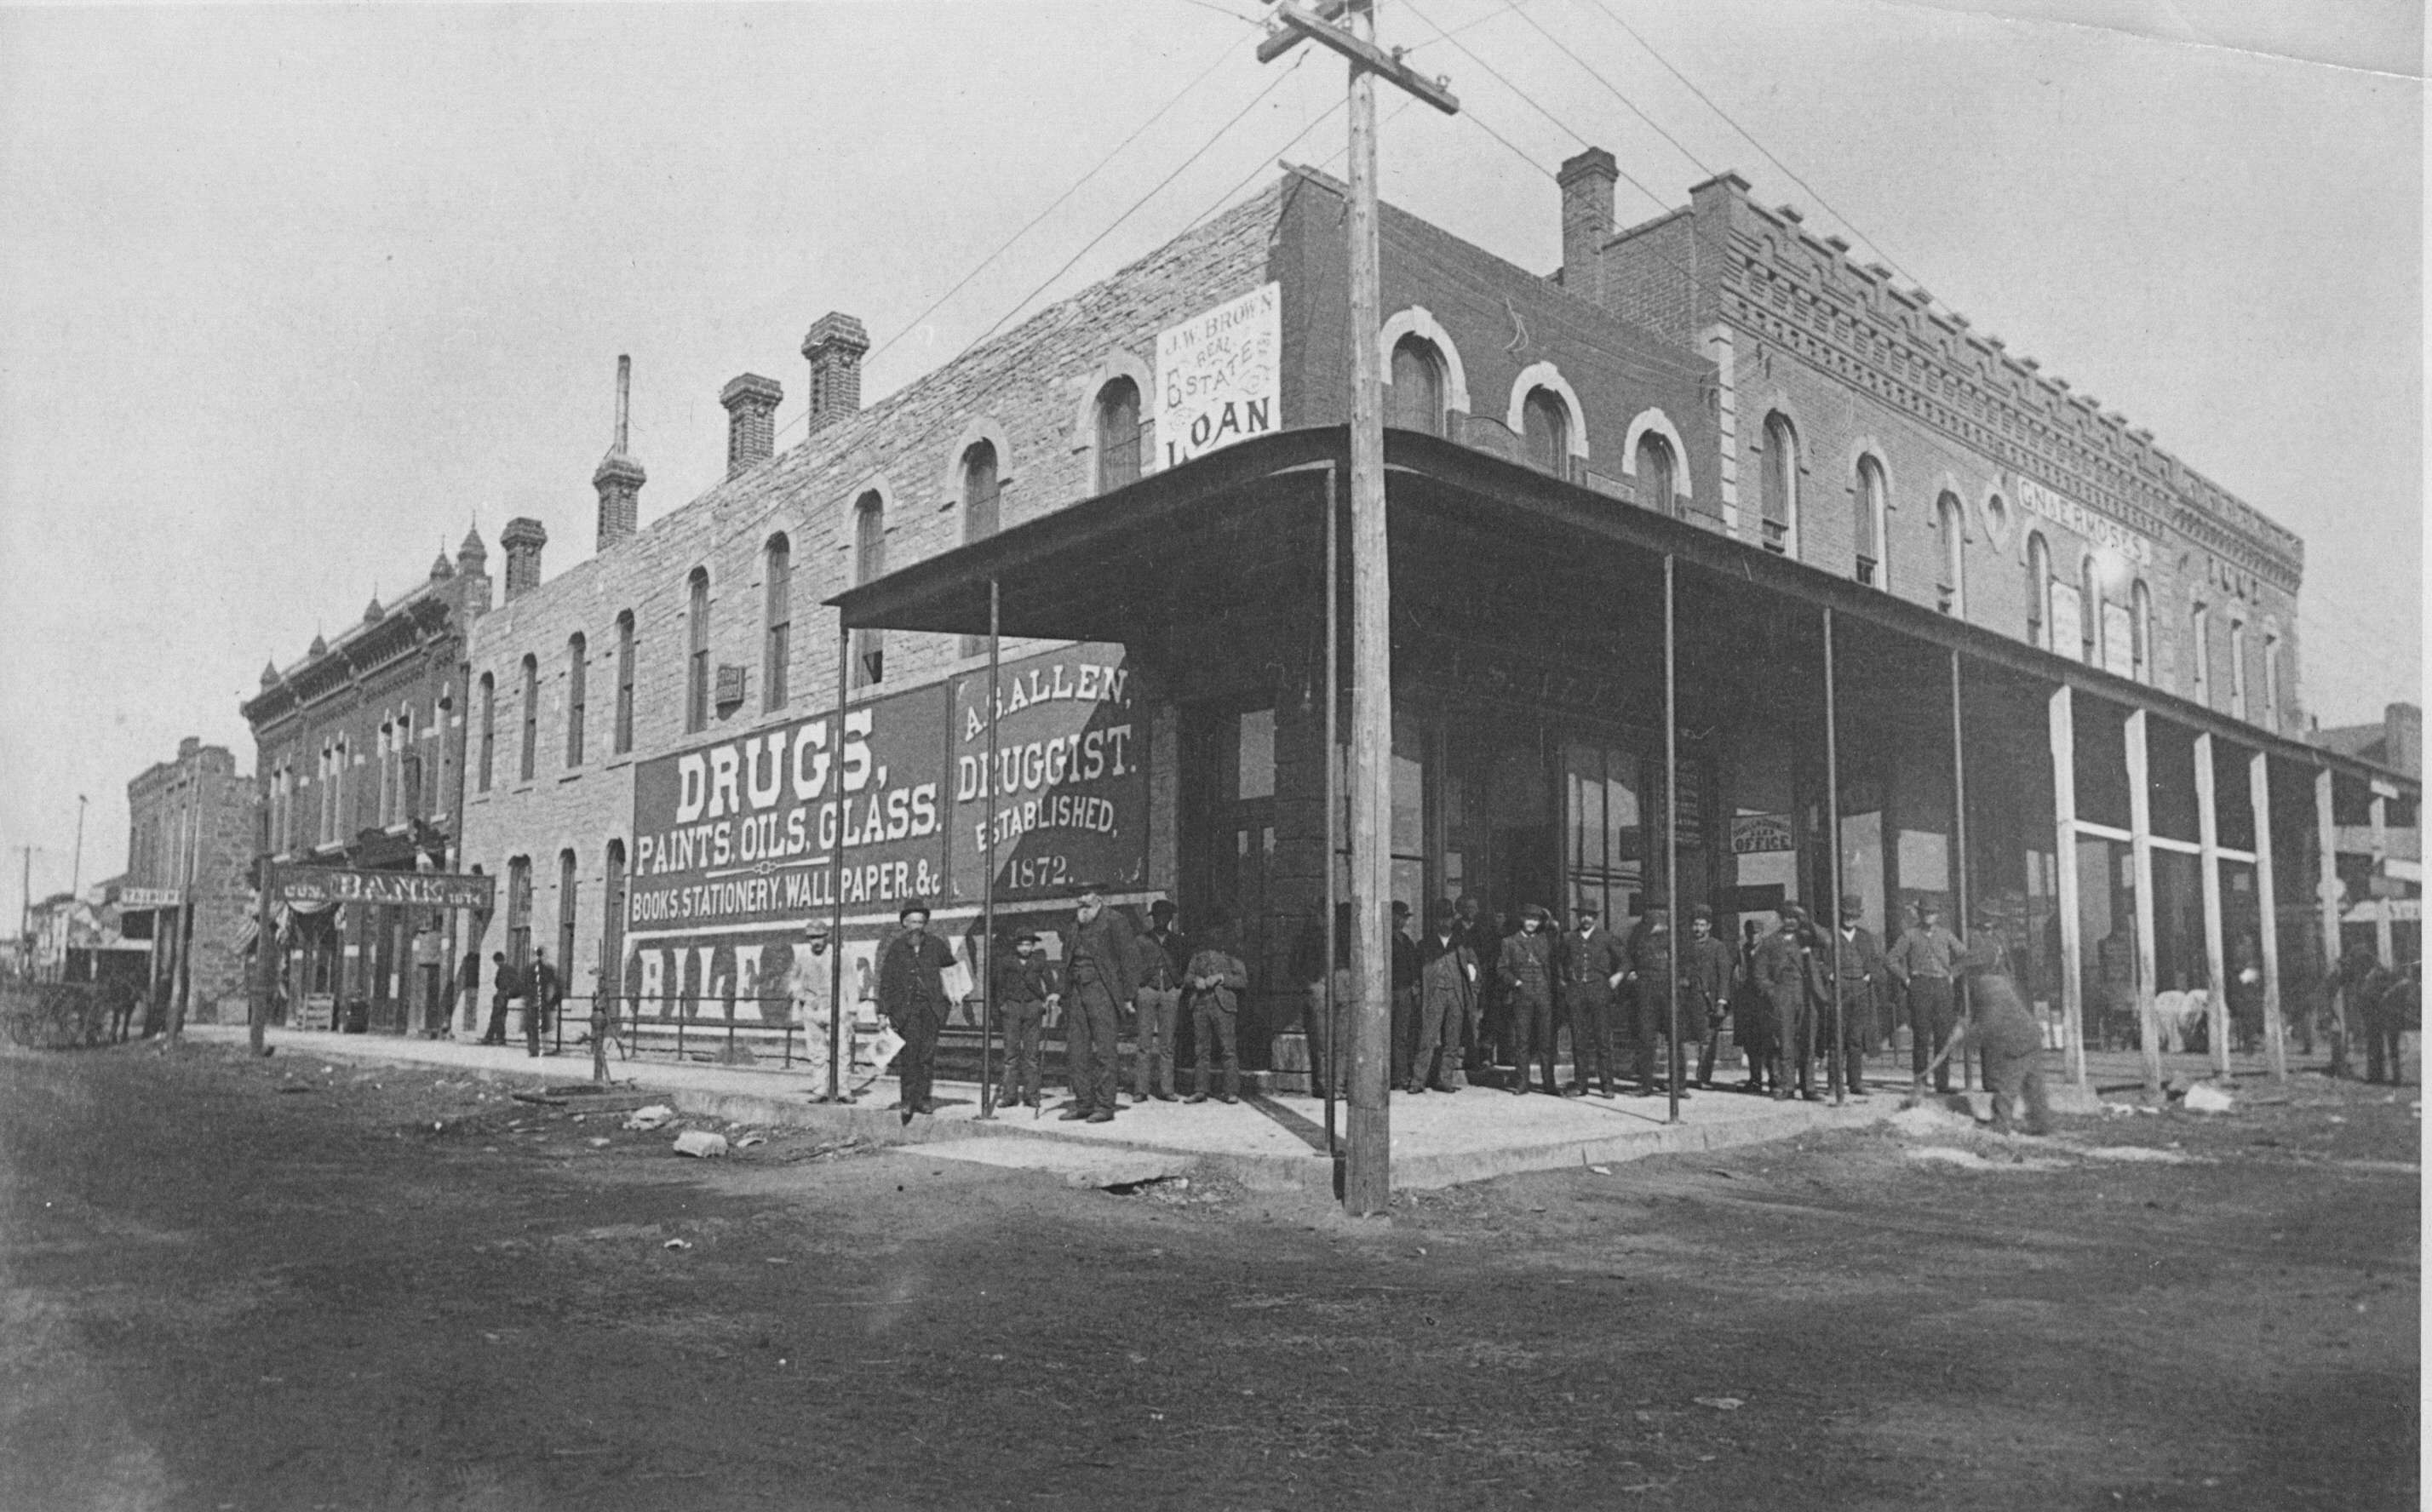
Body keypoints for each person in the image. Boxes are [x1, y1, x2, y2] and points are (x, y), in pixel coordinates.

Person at [1946, 946, 2054, 1135]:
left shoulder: (1986, 986)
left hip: (2015, 1042)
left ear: (1975, 970)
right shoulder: (1999, 982)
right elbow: (1982, 1016)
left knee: (2006, 1086)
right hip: (2031, 1036)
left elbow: (1990, 1021)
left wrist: (1967, 1039)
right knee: (2033, 1085)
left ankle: (2001, 1124)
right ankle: (2041, 1123)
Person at [1061, 886, 1138, 1123]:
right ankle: (1083, 1103)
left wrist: (1128, 996)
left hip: (1102, 991)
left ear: (1099, 899)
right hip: (1076, 992)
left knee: (1105, 1051)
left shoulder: (1115, 921)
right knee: (1077, 1050)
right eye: (1079, 897)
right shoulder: (1074, 925)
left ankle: (1105, 1106)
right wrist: (1058, 992)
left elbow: (1129, 958)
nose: (1082, 901)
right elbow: (1066, 960)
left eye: (1087, 895)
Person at [877, 902, 956, 1120]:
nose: (916, 926)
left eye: (921, 922)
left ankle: (923, 1100)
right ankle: (907, 1101)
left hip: (930, 1010)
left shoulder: (936, 945)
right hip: (906, 1012)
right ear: (904, 923)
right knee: (909, 1057)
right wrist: (883, 1013)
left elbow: (952, 970)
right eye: (912, 922)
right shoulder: (896, 948)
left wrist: (956, 992)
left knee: (927, 1056)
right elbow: (886, 982)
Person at [1886, 899, 1965, 1096]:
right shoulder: (1909, 935)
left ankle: (1942, 1083)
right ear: (1919, 914)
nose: (1929, 916)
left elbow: (1965, 957)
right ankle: (1920, 1082)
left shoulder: (1946, 935)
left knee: (1943, 1037)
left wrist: (1952, 975)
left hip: (1942, 987)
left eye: (1932, 912)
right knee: (1921, 1037)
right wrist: (1906, 979)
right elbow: (1890, 960)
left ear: (1937, 915)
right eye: (1925, 912)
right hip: (1919, 986)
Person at [1754, 906, 1827, 1101]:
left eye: (1795, 918)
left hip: (1807, 992)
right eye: (1787, 918)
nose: (1791, 922)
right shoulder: (1770, 942)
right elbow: (1760, 973)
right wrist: (1773, 992)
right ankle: (1787, 1086)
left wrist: (1807, 920)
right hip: (1783, 994)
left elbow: (1827, 940)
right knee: (1785, 1041)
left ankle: (1808, 1087)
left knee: (1808, 1041)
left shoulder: (1807, 938)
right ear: (1781, 919)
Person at [1555, 902, 1626, 1097]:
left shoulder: (1606, 938)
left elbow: (1625, 960)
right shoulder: (1568, 938)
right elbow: (1559, 963)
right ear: (1578, 917)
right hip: (1576, 994)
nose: (1586, 919)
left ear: (1596, 917)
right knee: (1579, 1041)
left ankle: (1607, 1085)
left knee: (1603, 1040)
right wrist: (1564, 983)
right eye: (1583, 915)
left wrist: (1617, 976)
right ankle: (1580, 1085)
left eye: (1590, 915)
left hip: (1599, 994)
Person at [789, 922, 862, 1102]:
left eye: (820, 937)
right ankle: (820, 1089)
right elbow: (794, 983)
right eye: (812, 937)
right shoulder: (803, 956)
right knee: (817, 1052)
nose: (816, 941)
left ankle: (843, 1090)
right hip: (813, 1010)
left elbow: (851, 982)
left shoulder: (840, 955)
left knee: (842, 1050)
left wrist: (852, 1010)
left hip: (836, 1008)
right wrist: (804, 997)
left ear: (826, 936)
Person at [1409, 902, 1477, 1094]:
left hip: (1456, 995)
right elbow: (1416, 974)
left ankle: (1444, 1079)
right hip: (1434, 995)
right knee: (1427, 1038)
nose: (1444, 922)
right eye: (1441, 918)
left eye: (1448, 918)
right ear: (1435, 920)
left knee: (1452, 1040)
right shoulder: (1425, 945)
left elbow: (1475, 967)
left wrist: (1472, 989)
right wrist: (1417, 994)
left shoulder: (1461, 944)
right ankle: (1418, 1081)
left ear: (1452, 919)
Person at [1183, 908, 1249, 1104]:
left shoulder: (1232, 954)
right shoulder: (1198, 955)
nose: (1213, 933)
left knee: (1228, 1049)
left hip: (1224, 1005)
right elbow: (1186, 976)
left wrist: (1220, 978)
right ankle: (1200, 1090)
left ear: (1223, 931)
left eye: (1217, 929)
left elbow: (1243, 980)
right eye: (1210, 930)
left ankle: (1231, 1091)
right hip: (1201, 1004)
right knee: (1200, 1049)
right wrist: (1195, 980)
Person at [1623, 905, 1686, 1097]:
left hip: (1669, 991)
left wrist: (1682, 981)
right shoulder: (1636, 935)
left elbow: (1686, 961)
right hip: (1645, 992)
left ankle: (1679, 1085)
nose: (1656, 916)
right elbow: (1628, 958)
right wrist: (1630, 973)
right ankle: (1645, 1084)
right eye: (1651, 912)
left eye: (1660, 911)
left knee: (1675, 1039)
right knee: (1645, 1038)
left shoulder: (1675, 936)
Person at [1826, 892, 1884, 1097]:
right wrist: (1831, 975)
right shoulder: (1831, 936)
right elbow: (1820, 962)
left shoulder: (1865, 937)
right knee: (1836, 1040)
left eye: (1853, 915)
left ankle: (1855, 1082)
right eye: (1846, 914)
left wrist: (1869, 976)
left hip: (1860, 992)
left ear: (1859, 915)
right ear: (1840, 914)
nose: (1849, 918)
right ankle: (1834, 1084)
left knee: (1856, 1040)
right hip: (1839, 992)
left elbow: (1876, 962)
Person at [993, 929, 1057, 1109]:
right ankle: (1009, 1096)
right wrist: (1002, 1005)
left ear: (1033, 946)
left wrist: (1046, 1000)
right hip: (1012, 1008)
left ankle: (1032, 1096)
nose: (1024, 948)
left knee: (1031, 1056)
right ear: (1015, 945)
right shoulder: (1006, 961)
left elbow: (1050, 982)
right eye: (1021, 944)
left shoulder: (1039, 961)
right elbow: (998, 985)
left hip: (1032, 1008)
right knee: (1010, 1056)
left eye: (1028, 944)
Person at [1131, 899, 1187, 1104]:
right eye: (1159, 916)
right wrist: (1136, 990)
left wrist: (1179, 987)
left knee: (1167, 1044)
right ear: (1153, 918)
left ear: (1170, 919)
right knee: (1144, 1042)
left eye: (1166, 916)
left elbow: (1185, 964)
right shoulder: (1141, 940)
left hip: (1170, 990)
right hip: (1147, 990)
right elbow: (1132, 966)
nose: (1162, 919)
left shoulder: (1178, 941)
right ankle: (1141, 1090)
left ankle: (1167, 1089)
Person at [1497, 905, 1557, 1095]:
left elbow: (1557, 938)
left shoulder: (1544, 941)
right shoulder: (1509, 942)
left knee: (1546, 1042)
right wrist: (1516, 982)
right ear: (1522, 920)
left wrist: (1551, 921)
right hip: (1522, 995)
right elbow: (1502, 969)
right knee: (1522, 1041)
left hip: (1543, 995)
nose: (1532, 923)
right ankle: (1523, 1082)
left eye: (1536, 920)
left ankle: (1549, 1083)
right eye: (1528, 919)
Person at [1682, 904, 1738, 1090]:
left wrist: (1722, 1001)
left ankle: (1703, 1077)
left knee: (1707, 1041)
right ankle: (1682, 1077)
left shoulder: (1718, 947)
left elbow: (1725, 975)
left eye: (1702, 925)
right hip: (1689, 999)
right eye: (1695, 925)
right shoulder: (1686, 947)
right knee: (1687, 1038)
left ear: (1709, 927)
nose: (1698, 929)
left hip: (1709, 1001)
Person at [1729, 917, 1772, 1094]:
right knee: (1751, 1043)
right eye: (1749, 933)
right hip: (1747, 1002)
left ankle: (1775, 1078)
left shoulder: (1769, 950)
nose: (1752, 936)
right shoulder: (1742, 951)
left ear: (1761, 934)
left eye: (1755, 933)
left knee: (1769, 1042)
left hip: (1765, 1002)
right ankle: (1755, 1079)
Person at [1389, 901, 1420, 1091]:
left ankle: (1400, 1076)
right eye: (1400, 916)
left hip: (1404, 992)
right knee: (1388, 1035)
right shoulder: (1384, 940)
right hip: (1389, 992)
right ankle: (1391, 1075)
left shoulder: (1406, 941)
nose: (1403, 921)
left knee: (1401, 1035)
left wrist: (1414, 986)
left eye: (1405, 917)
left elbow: (1414, 966)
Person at [412, 922, 445, 1038]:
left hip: (423, 967)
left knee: (424, 997)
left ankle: (423, 1025)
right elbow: (445, 950)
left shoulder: (418, 937)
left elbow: (415, 953)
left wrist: (414, 968)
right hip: (436, 967)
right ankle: (429, 1025)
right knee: (430, 997)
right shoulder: (440, 936)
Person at [527, 947, 562, 1057]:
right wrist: (553, 1001)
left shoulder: (529, 969)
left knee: (533, 1027)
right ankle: (538, 1048)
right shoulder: (548, 969)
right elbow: (558, 986)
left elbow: (522, 986)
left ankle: (534, 1049)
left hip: (533, 1002)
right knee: (540, 1027)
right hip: (542, 1002)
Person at [481, 950, 519, 1046]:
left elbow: (497, 983)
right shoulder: (510, 968)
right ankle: (495, 1038)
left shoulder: (502, 969)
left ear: (497, 961)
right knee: (499, 1017)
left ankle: (494, 1038)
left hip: (502, 995)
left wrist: (505, 992)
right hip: (504, 995)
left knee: (496, 1017)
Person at [458, 948, 483, 1037]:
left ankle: (469, 1025)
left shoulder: (468, 965)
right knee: (472, 1006)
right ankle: (471, 1024)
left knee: (469, 1006)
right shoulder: (476, 965)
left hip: (469, 987)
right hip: (475, 987)